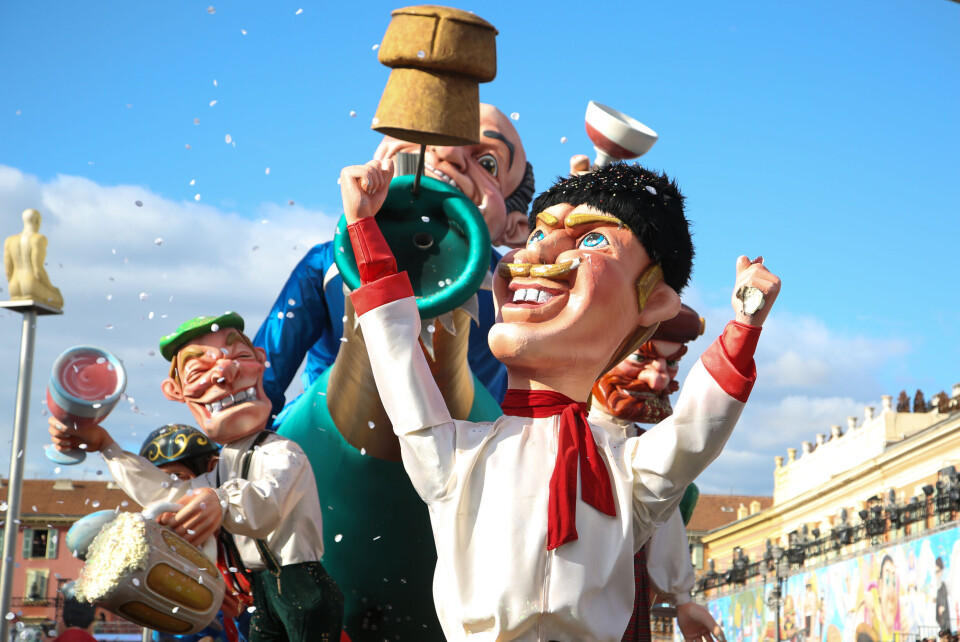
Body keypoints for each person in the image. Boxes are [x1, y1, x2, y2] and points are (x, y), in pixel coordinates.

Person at [338, 158, 780, 640]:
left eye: (592, 239)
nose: (543, 252)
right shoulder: (458, 456)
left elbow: (697, 428)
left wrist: (745, 323)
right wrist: (364, 230)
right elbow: (397, 355)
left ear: (651, 301)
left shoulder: (624, 470)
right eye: (536, 235)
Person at [49, 313, 342, 642]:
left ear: (261, 362)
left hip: (301, 585)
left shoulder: (282, 453)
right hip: (259, 591)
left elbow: (266, 501)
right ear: (176, 392)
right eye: (199, 371)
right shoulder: (221, 468)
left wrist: (220, 502)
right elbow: (171, 494)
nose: (225, 372)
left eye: (240, 357)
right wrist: (107, 446)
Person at [254, 103, 536, 419]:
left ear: (516, 226)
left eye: (487, 162)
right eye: (419, 135)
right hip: (325, 449)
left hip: (478, 450)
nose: (447, 150)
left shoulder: (515, 284)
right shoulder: (325, 266)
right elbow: (263, 380)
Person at [589, 304, 723, 642]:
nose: (658, 378)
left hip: (621, 603)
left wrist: (681, 599)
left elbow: (662, 521)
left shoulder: (646, 445)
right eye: (640, 358)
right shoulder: (561, 435)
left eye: (671, 363)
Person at [139, 424, 251, 642]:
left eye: (178, 476)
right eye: (162, 483)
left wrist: (241, 615)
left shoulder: (242, 532)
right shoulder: (166, 546)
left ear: (210, 470)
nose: (173, 492)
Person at [3, 208, 63, 309]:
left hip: (13, 287)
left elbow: (8, 271)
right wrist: (51, 288)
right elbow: (38, 270)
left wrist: (13, 284)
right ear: (37, 221)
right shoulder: (38, 239)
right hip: (30, 284)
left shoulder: (10, 240)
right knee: (59, 299)